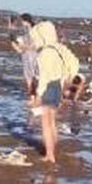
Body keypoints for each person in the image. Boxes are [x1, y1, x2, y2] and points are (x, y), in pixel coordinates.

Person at [27, 20, 78, 166]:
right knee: (52, 122)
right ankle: (53, 151)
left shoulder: (45, 53)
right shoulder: (59, 48)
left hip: (48, 87)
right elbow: (74, 63)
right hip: (57, 86)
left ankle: (49, 155)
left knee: (46, 124)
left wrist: (38, 96)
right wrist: (67, 78)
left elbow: (43, 78)